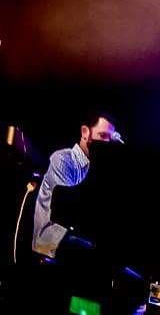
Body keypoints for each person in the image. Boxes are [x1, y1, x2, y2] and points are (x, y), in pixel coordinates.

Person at [32, 111, 119, 259]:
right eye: (103, 136)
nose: (106, 143)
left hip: (72, 240)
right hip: (48, 242)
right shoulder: (63, 159)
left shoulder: (96, 166)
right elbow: (67, 212)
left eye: (110, 139)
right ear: (85, 132)